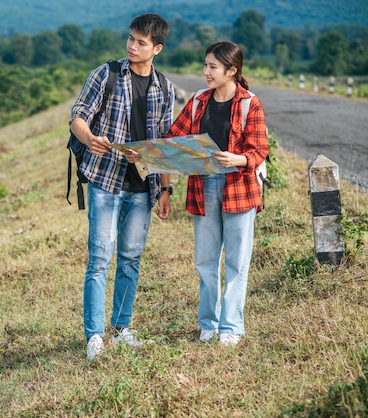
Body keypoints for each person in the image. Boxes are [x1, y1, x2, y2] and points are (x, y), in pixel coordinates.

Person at [69, 13, 175, 360]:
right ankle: (94, 337)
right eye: (130, 38)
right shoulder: (107, 73)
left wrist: (165, 190)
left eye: (141, 42)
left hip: (142, 186)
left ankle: (122, 328)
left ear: (156, 48)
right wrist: (90, 137)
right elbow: (78, 115)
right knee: (100, 257)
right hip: (104, 179)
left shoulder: (165, 88)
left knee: (131, 259)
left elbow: (162, 146)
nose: (132, 46)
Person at [167, 41, 268, 346]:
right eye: (205, 65)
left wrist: (237, 159)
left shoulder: (250, 103)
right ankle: (208, 323)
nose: (206, 72)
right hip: (205, 183)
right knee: (206, 260)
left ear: (231, 70)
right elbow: (175, 137)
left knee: (237, 261)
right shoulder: (198, 101)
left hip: (239, 186)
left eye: (212, 66)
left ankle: (232, 327)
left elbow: (259, 150)